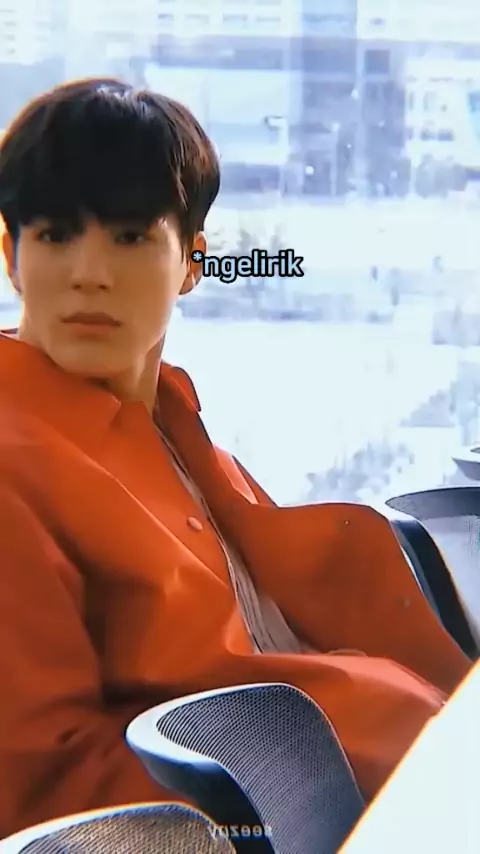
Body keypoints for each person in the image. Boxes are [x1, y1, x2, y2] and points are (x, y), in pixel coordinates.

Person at [0, 78, 471, 838]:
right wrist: (305, 798)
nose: (88, 271)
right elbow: (48, 786)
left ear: (192, 262)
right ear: (11, 256)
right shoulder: (13, 462)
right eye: (55, 235)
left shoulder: (172, 424)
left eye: (129, 237)